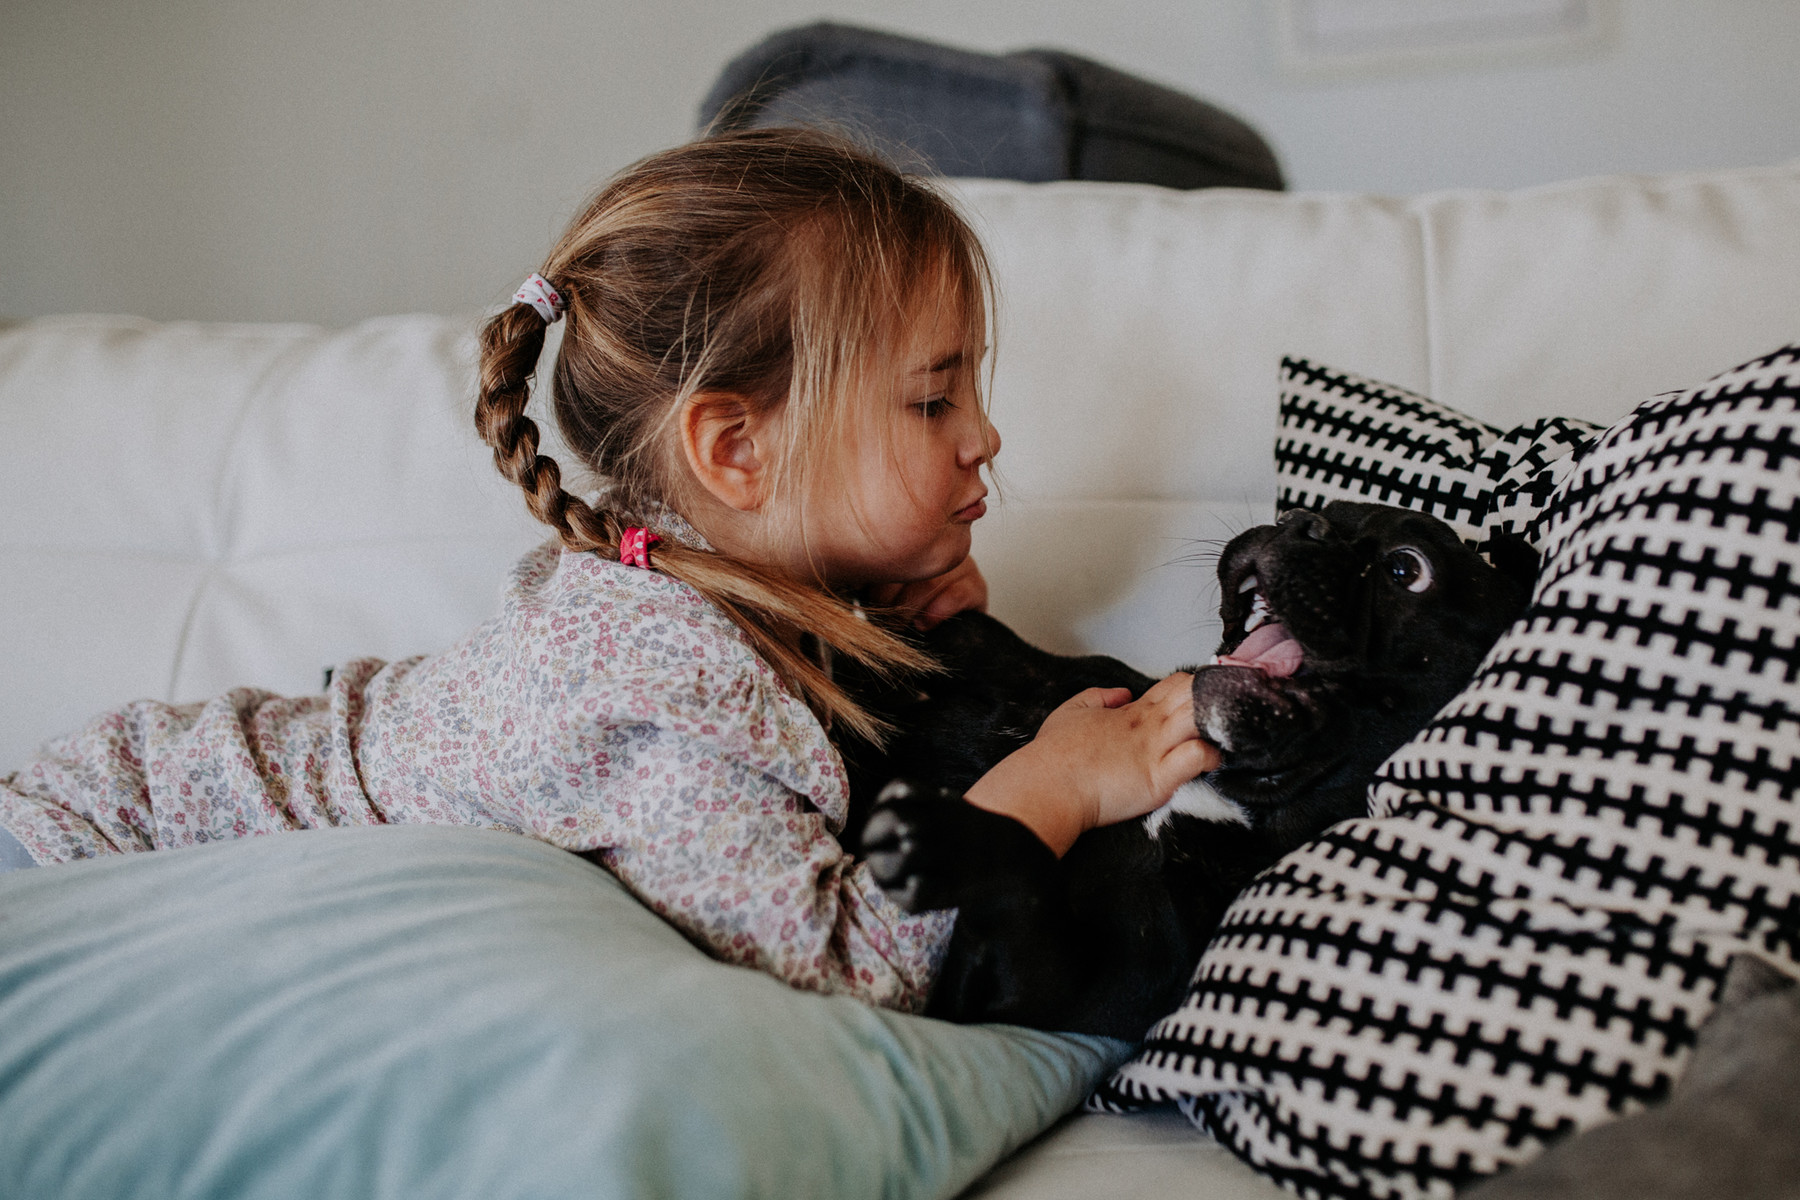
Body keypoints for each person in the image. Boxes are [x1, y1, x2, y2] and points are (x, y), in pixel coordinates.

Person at [0, 129, 1215, 1011]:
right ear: (736, 449)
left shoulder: (695, 595)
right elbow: (838, 958)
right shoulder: (659, 695)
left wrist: (896, 624)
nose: (984, 434)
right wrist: (1055, 783)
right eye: (934, 397)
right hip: (88, 845)